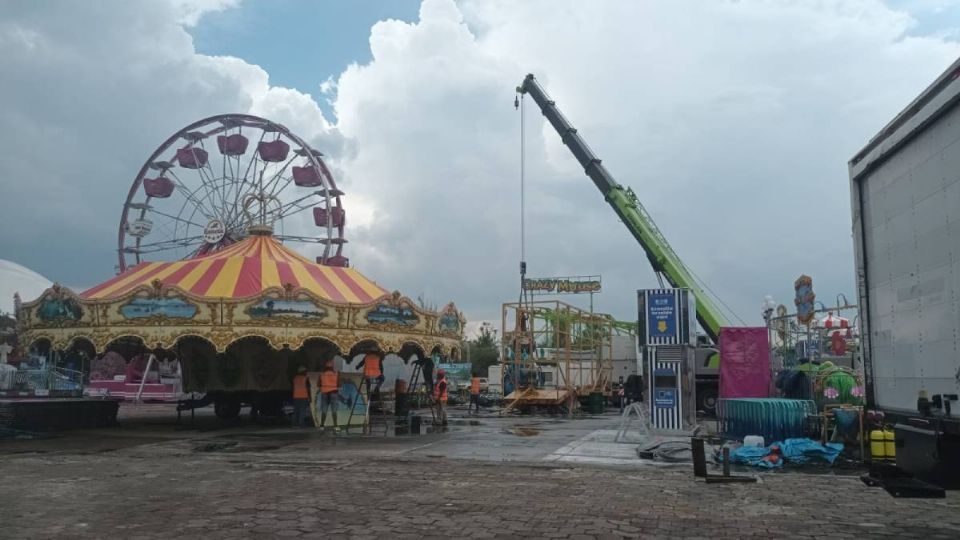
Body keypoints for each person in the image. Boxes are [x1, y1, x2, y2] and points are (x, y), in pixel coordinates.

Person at [318, 360, 340, 432]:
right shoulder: (336, 374)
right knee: (334, 410)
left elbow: (318, 384)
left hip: (324, 393)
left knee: (324, 410)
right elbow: (339, 384)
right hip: (334, 393)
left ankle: (322, 426)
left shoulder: (322, 374)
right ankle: (336, 426)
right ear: (332, 367)